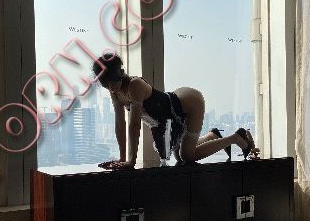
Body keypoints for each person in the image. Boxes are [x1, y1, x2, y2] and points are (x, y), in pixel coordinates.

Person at [92, 52, 259, 169]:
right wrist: (122, 158)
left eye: (112, 82)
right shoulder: (115, 92)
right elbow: (120, 124)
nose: (111, 88)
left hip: (188, 103)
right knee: (180, 155)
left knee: (187, 156)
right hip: (169, 115)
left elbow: (134, 125)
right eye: (106, 84)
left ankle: (237, 137)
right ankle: (212, 136)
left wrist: (131, 161)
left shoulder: (134, 85)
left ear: (120, 74)